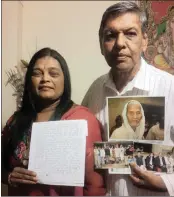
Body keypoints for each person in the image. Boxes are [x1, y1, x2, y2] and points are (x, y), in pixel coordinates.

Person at [82, 2, 174, 196]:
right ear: (101, 45)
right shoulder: (94, 92)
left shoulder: (170, 87)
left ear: (144, 41)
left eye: (130, 33)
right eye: (110, 35)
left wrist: (166, 182)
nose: (120, 43)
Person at [1, 48, 106, 196]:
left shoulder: (82, 119)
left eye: (53, 73)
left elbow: (95, 183)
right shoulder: (16, 121)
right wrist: (8, 177)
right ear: (29, 80)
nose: (45, 79)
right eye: (37, 73)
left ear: (65, 80)